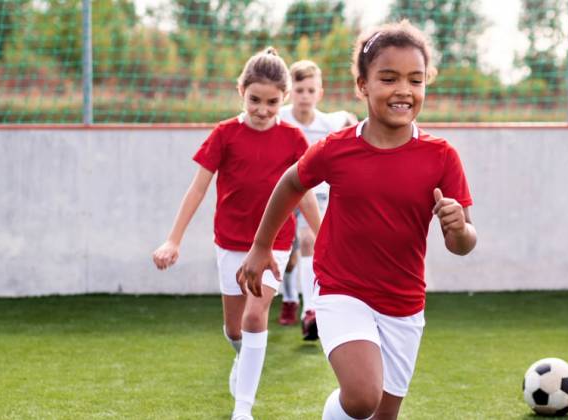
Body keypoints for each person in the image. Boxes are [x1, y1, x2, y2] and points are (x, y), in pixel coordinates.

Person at [237, 21, 477, 420]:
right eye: (388, 78)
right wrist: (261, 247)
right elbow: (291, 182)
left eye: (415, 80)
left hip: (404, 303)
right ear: (363, 85)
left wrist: (459, 228)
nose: (403, 90)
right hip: (341, 289)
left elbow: (462, 244)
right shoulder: (336, 149)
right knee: (362, 397)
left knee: (381, 414)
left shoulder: (442, 156)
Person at [148, 48, 321, 420]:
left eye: (272, 102)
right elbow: (197, 189)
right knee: (235, 328)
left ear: (284, 98)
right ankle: (242, 357)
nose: (262, 109)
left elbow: (303, 194)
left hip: (274, 241)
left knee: (256, 316)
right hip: (230, 244)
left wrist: (324, 239)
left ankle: (243, 408)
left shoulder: (293, 139)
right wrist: (173, 239)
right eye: (254, 99)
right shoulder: (224, 134)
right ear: (240, 91)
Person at [276, 60, 357, 338]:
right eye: (299, 90)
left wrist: (353, 123)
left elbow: (348, 119)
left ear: (319, 93)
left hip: (316, 195)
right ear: (290, 92)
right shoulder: (280, 119)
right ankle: (289, 299)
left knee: (310, 239)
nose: (305, 96)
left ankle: (309, 312)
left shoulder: (328, 123)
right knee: (287, 257)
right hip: (285, 193)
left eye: (311, 90)